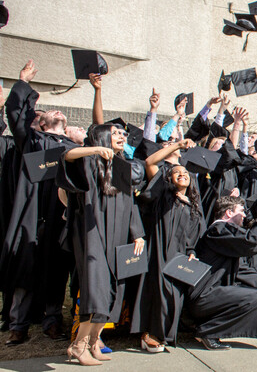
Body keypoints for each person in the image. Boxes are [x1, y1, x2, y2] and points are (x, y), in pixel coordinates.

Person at [1, 60, 78, 345]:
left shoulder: (74, 149)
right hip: (32, 214)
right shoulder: (31, 142)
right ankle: (18, 323)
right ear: (42, 122)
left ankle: (52, 319)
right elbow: (16, 117)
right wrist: (23, 83)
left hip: (58, 215)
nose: (58, 111)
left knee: (56, 270)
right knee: (25, 268)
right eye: (51, 111)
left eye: (61, 113)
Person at [57, 121, 145, 365]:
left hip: (116, 237)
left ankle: (95, 340)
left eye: (123, 133)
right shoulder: (89, 160)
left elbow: (130, 205)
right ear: (103, 137)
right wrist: (94, 150)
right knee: (95, 288)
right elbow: (67, 156)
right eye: (115, 132)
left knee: (111, 291)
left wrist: (138, 233)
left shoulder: (122, 167)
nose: (121, 135)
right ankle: (78, 345)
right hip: (92, 232)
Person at [132, 138, 205, 352]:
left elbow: (193, 236)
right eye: (176, 173)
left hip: (179, 256)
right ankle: (149, 334)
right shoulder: (164, 195)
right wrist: (176, 147)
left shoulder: (193, 206)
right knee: (157, 291)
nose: (182, 174)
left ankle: (164, 334)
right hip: (159, 252)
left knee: (174, 296)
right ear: (169, 179)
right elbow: (150, 163)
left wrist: (191, 252)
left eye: (185, 173)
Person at [186, 194, 257, 350]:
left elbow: (244, 272)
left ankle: (208, 328)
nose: (244, 215)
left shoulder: (225, 238)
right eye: (241, 211)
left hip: (211, 296)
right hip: (203, 296)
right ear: (229, 213)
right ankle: (206, 331)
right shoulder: (218, 229)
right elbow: (251, 240)